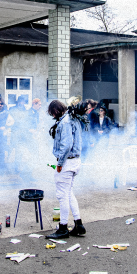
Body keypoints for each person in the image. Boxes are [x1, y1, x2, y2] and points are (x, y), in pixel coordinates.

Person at [45, 100, 86, 239]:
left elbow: (67, 145)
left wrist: (60, 163)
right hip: (75, 161)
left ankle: (63, 228)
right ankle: (78, 224)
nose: (53, 116)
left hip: (67, 162)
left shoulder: (65, 122)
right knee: (69, 193)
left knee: (62, 195)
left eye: (52, 113)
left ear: (56, 110)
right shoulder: (73, 118)